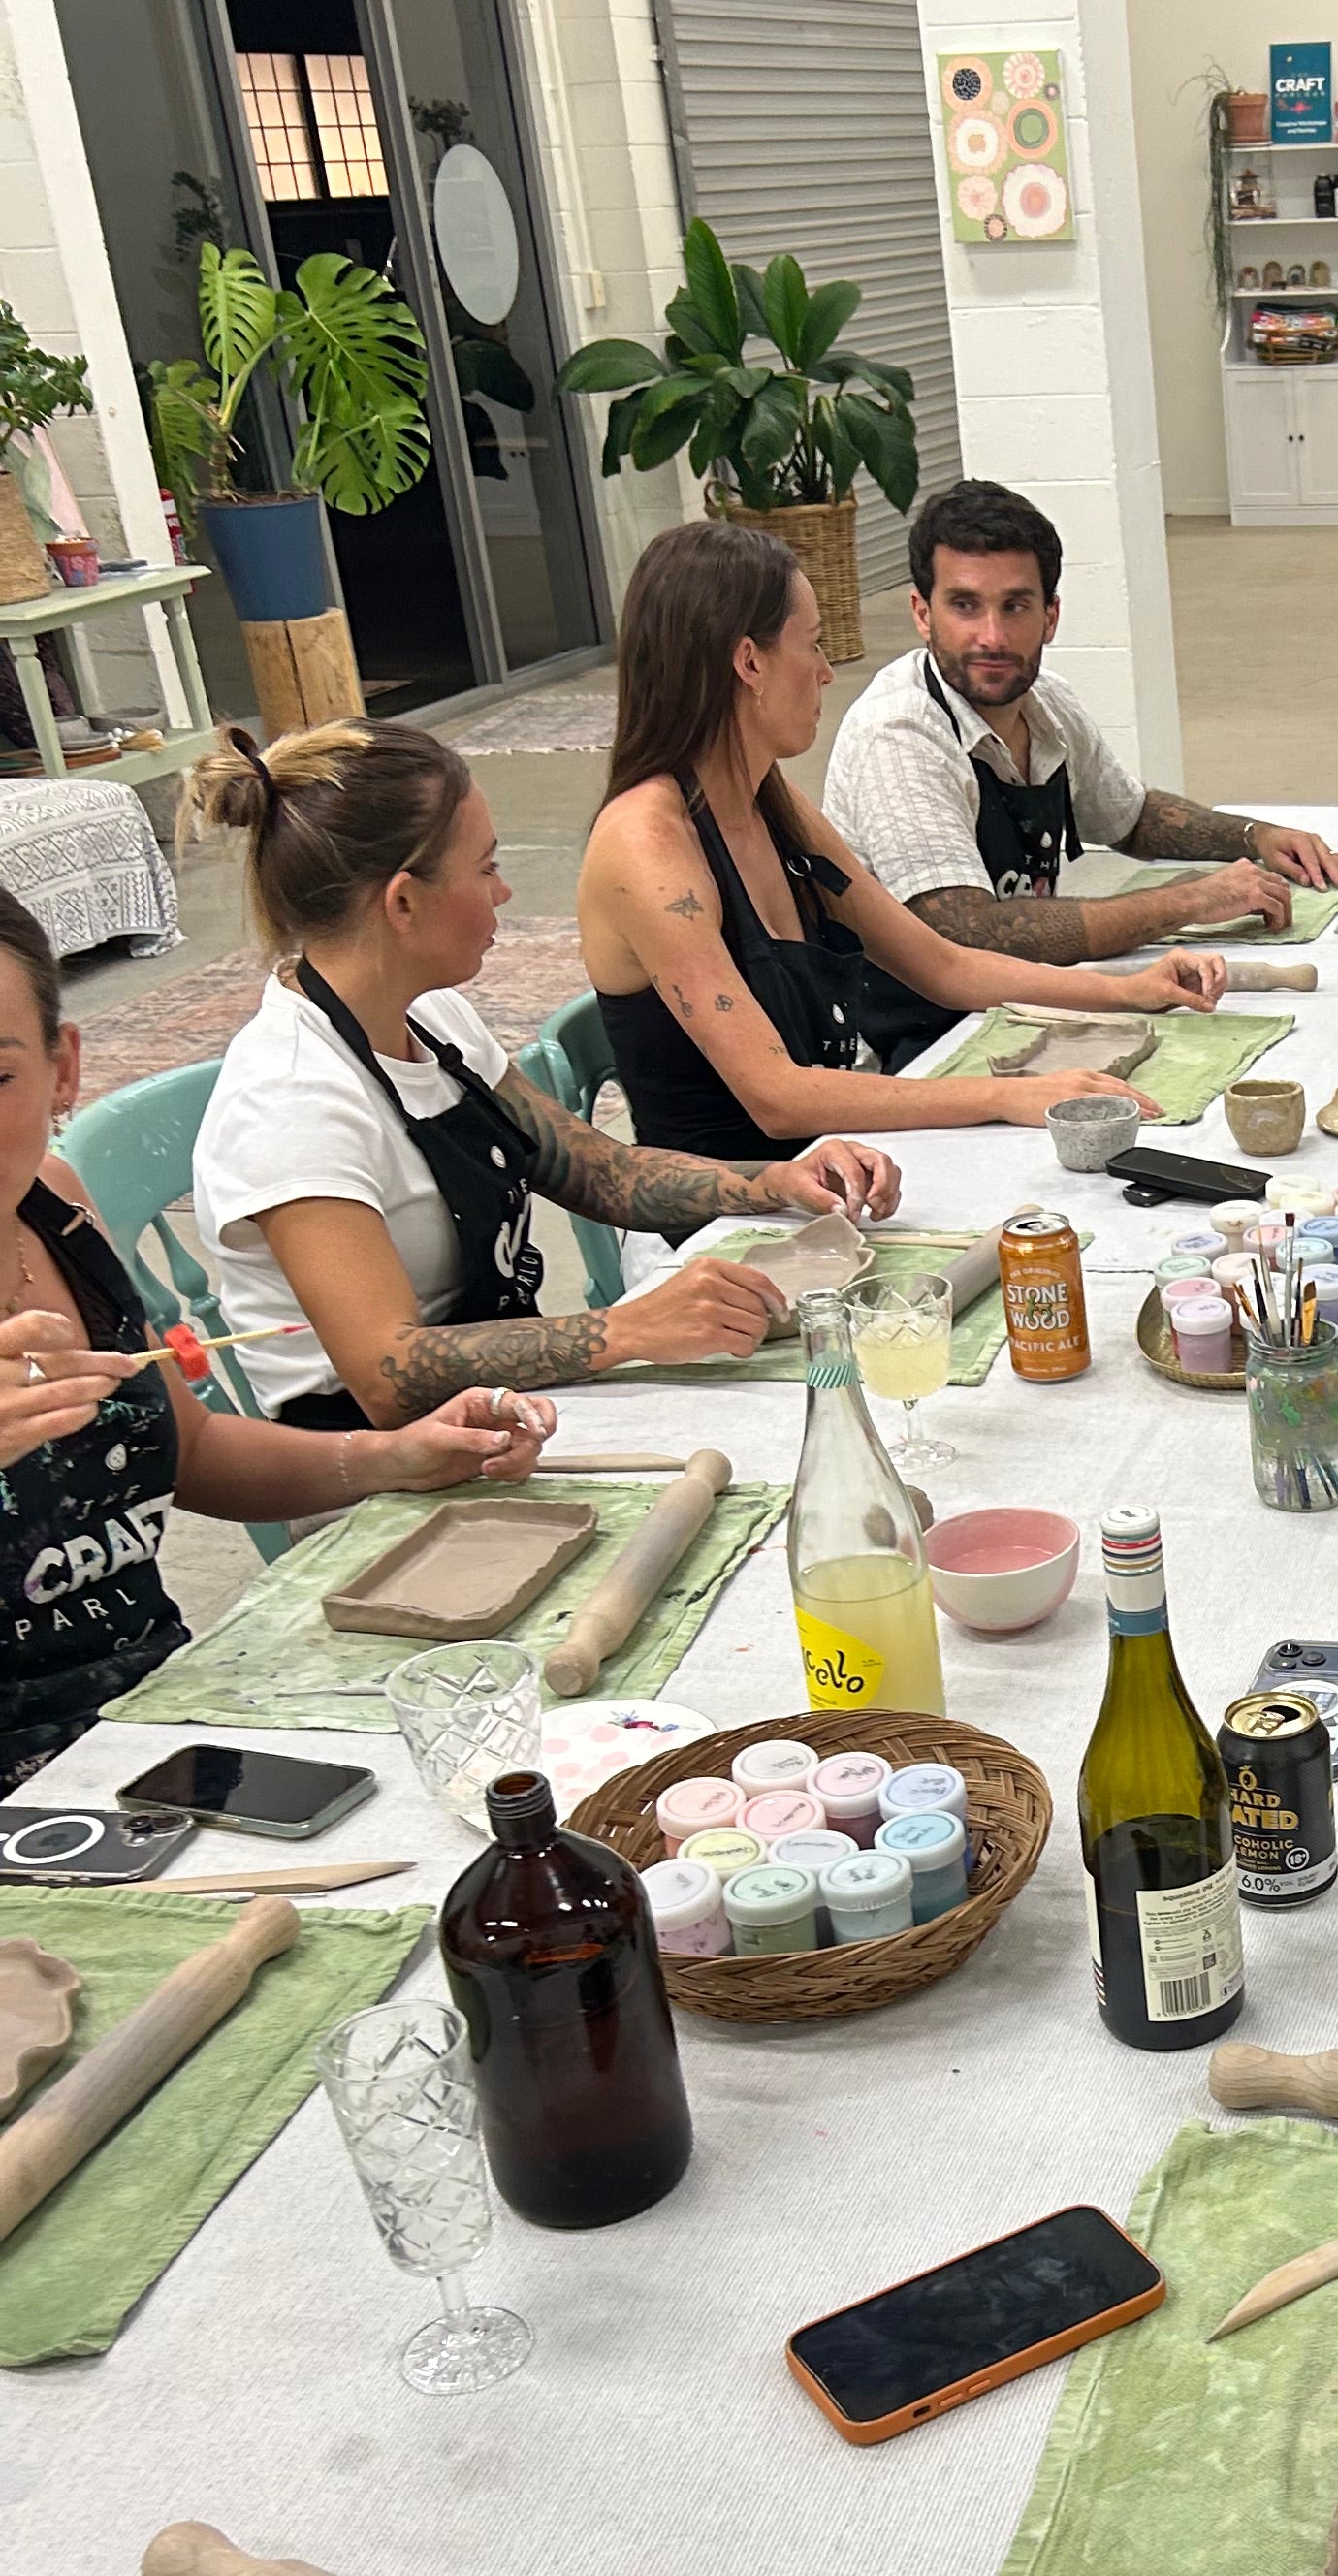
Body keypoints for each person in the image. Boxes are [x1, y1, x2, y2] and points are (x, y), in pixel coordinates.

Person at [187, 721, 902, 1424]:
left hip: (504, 1415)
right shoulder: (291, 1101)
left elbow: (598, 1172)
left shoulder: (431, 1016)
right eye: (487, 868)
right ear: (403, 901)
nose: (505, 895)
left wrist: (771, 1182)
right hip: (371, 1468)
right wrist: (627, 1330)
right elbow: (387, 1373)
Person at [0, 888, 550, 1788]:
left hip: (154, 1734)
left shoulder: (53, 1204)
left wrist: (390, 1457)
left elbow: (196, 1449)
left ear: (64, 1068)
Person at [579, 521, 1218, 1163]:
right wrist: (1002, 1096)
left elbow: (944, 966)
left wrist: (1130, 988)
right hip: (721, 1224)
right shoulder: (649, 847)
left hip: (833, 1170)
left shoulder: (768, 801)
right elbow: (777, 1099)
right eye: (815, 645)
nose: (827, 673)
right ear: (749, 662)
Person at [823, 477, 1338, 1028]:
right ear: (922, 613)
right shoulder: (899, 735)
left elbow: (1132, 817)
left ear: (1050, 616)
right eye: (965, 605)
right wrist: (1190, 902)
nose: (991, 636)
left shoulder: (1047, 702)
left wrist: (1254, 836)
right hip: (931, 1032)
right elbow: (967, 932)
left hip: (1031, 999)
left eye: (1015, 606)